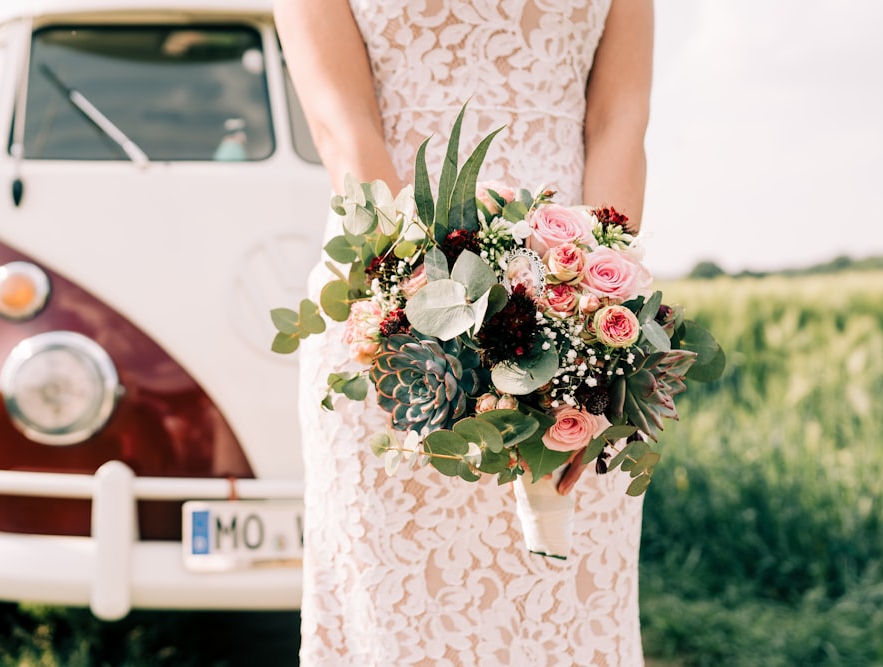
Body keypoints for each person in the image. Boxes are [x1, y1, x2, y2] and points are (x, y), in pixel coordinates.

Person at [275, 1, 653, 665]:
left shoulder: (586, 321)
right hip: (392, 320)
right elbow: (343, 125)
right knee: (397, 625)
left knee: (563, 624)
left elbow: (619, 119)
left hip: (577, 305)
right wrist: (429, 308)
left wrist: (588, 320)